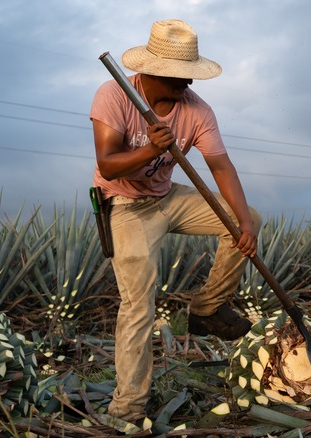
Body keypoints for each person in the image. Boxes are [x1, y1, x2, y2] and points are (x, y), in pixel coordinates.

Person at [90, 19, 262, 422]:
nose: (187, 81)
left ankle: (206, 308)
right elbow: (108, 165)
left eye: (190, 74)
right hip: (125, 203)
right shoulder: (113, 95)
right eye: (178, 76)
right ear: (151, 71)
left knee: (245, 217)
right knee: (138, 304)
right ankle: (127, 409)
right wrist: (151, 150)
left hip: (167, 196)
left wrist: (246, 227)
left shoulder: (197, 109)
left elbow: (221, 167)